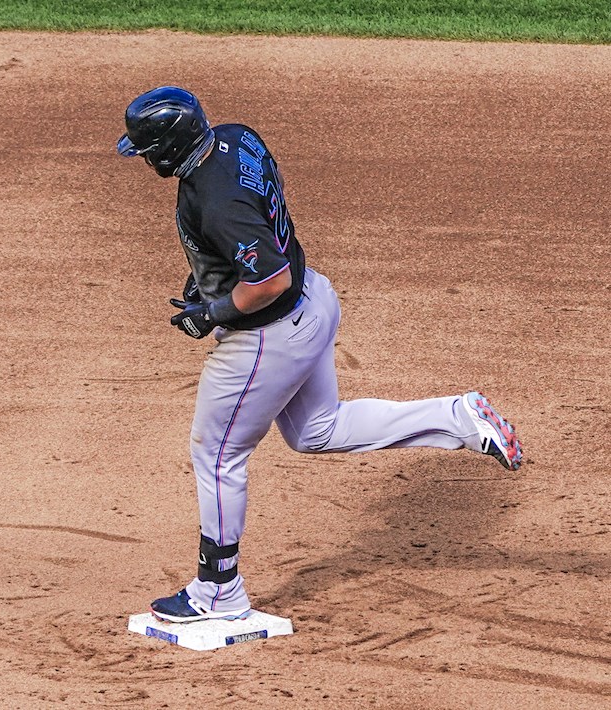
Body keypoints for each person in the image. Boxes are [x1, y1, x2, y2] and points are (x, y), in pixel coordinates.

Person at [116, 86, 524, 623]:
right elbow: (259, 227)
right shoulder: (236, 138)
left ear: (169, 147)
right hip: (315, 302)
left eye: (147, 149)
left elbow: (268, 279)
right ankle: (457, 417)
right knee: (317, 431)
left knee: (217, 454)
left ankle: (217, 591)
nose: (144, 158)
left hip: (269, 335)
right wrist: (212, 279)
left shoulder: (216, 201)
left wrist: (212, 312)